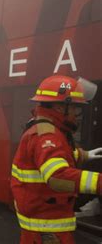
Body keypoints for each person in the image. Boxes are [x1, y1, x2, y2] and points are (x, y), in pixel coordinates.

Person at [11, 75, 102, 243]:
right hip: (48, 231)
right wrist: (99, 182)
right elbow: (56, 177)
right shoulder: (47, 135)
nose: (78, 115)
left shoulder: (44, 128)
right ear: (61, 107)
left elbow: (46, 160)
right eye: (75, 108)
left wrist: (83, 155)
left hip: (42, 226)